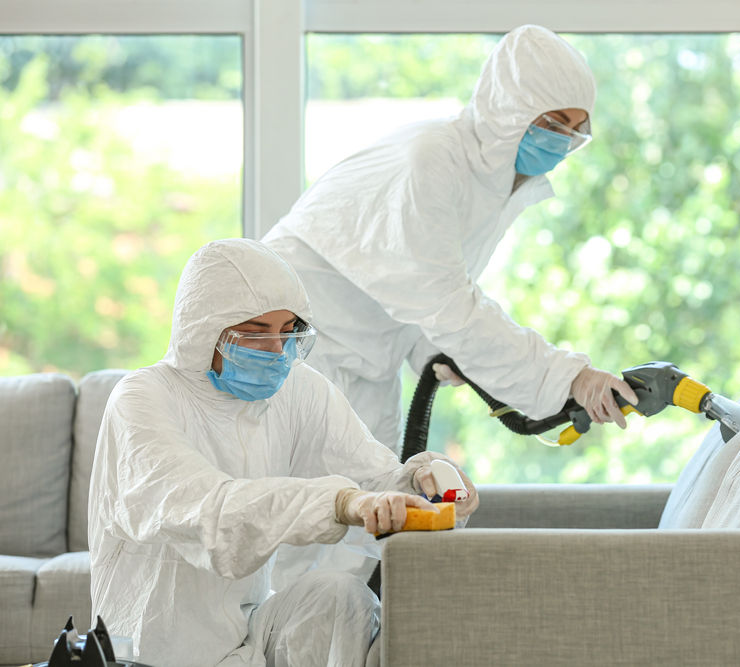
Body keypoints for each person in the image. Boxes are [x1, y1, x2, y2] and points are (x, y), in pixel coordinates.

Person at [88, 238, 478, 667]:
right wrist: (341, 502)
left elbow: (373, 480)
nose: (277, 351)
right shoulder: (143, 398)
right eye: (254, 334)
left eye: (288, 331)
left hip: (248, 631)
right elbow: (211, 513)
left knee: (341, 597)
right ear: (202, 332)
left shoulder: (298, 390)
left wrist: (423, 485)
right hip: (149, 649)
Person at [262, 23, 638, 459]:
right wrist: (569, 377)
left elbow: (413, 288)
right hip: (296, 346)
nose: (559, 141)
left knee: (370, 511)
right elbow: (448, 305)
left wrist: (438, 348)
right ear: (509, 108)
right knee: (295, 509)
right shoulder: (433, 160)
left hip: (368, 362)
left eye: (573, 130)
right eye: (552, 123)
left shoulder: (496, 185)